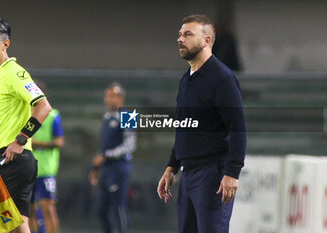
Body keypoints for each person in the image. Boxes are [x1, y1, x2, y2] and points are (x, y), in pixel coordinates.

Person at [157, 15, 247, 233]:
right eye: (179, 34)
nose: (180, 39)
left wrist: (232, 173)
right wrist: (172, 166)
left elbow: (237, 127)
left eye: (188, 34)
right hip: (188, 174)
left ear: (207, 40)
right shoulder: (186, 78)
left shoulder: (222, 78)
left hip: (213, 175)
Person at [0, 16, 52, 233]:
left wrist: (20, 140)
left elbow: (43, 107)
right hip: (12, 160)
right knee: (20, 224)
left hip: (12, 161)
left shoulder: (13, 73)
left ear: (5, 44)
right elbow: (5, 124)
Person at [89, 82, 136, 233]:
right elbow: (104, 146)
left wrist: (107, 155)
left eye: (112, 96)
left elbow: (130, 145)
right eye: (107, 96)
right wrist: (95, 168)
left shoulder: (128, 116)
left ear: (121, 98)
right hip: (106, 169)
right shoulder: (107, 117)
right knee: (101, 210)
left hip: (119, 167)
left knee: (118, 207)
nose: (108, 99)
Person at [29, 80, 65, 233]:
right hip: (28, 170)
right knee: (28, 211)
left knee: (47, 208)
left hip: (45, 170)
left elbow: (59, 142)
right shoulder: (23, 114)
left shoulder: (52, 116)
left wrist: (37, 143)